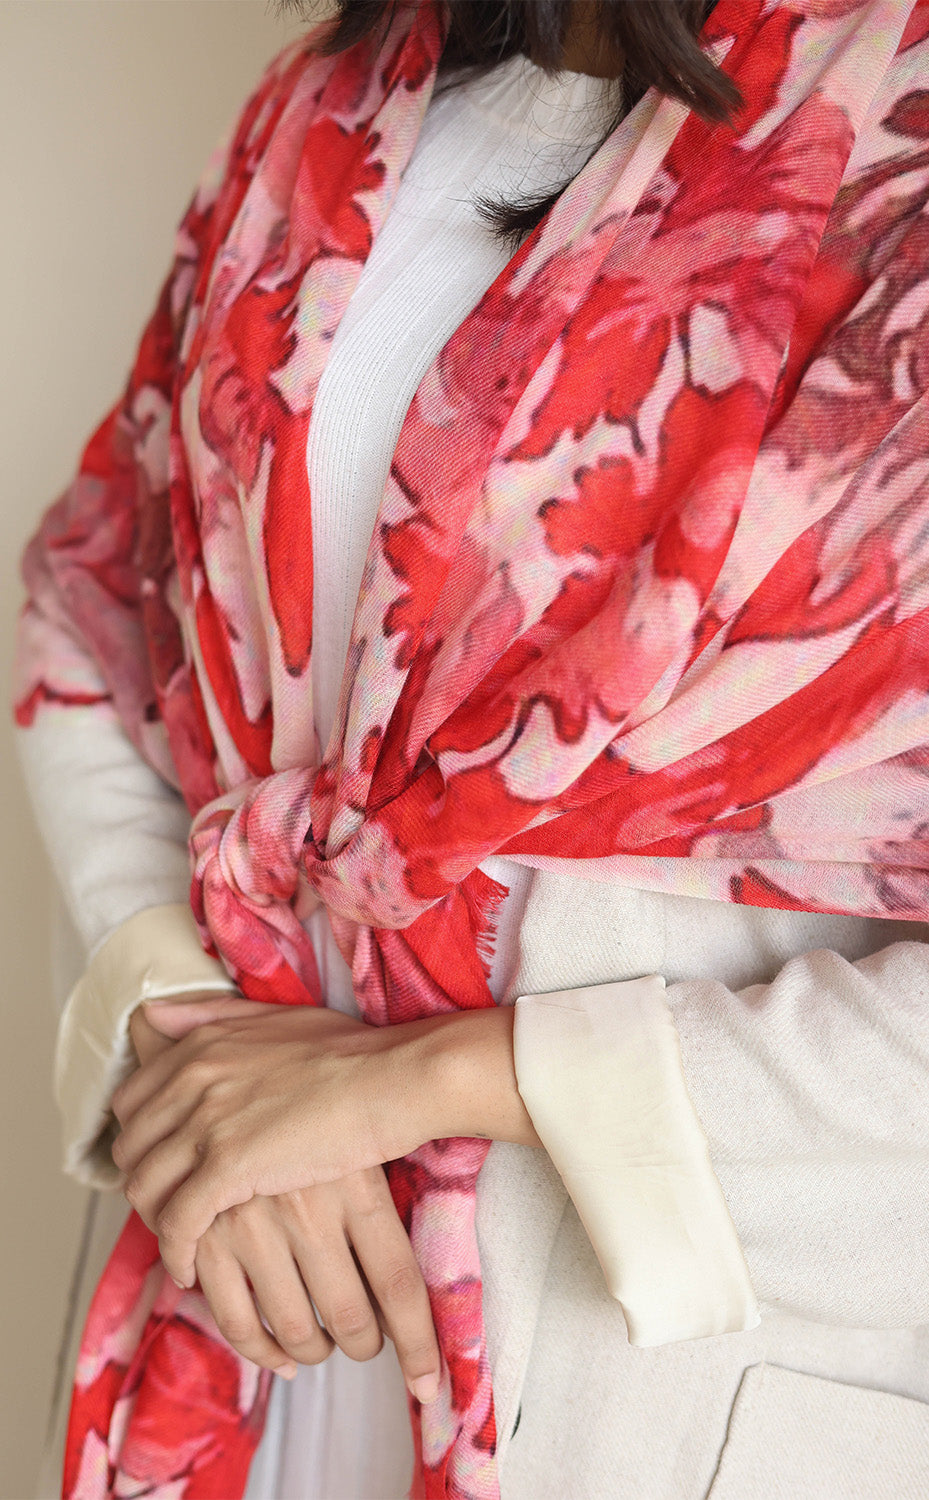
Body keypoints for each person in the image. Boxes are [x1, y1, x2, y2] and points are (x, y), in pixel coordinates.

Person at [14, 0, 929, 1496]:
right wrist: (181, 1025)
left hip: (657, 1391)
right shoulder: (326, 109)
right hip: (265, 1330)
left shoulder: (899, 147)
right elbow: (98, 602)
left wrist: (423, 1082)